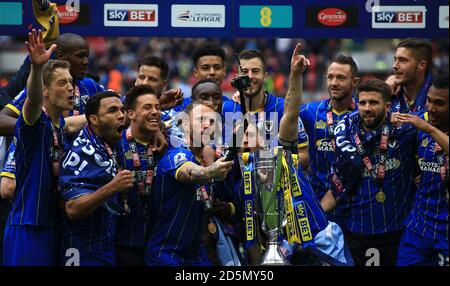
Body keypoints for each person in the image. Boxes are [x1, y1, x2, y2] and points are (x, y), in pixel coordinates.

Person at [321, 79, 418, 266]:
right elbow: (337, 189)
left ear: (387, 106)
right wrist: (312, 218)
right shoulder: (346, 139)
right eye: (362, 102)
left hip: (398, 233)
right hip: (358, 232)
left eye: (373, 103)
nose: (366, 108)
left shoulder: (405, 132)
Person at [3, 29, 72, 266]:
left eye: (71, 82)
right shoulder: (33, 123)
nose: (71, 88)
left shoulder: (60, 126)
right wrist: (36, 67)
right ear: (45, 92)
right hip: (28, 225)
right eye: (62, 83)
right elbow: (32, 102)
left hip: (53, 225)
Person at [145, 100, 234, 266]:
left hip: (197, 255)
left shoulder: (208, 158)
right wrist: (209, 172)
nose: (207, 125)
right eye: (201, 119)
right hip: (166, 254)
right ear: (185, 125)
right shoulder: (176, 154)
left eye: (212, 121)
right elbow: (190, 172)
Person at [59, 91, 132, 266]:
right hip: (80, 249)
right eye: (113, 111)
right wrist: (113, 187)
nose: (121, 115)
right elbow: (73, 209)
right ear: (94, 119)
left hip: (105, 245)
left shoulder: (110, 140)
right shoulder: (82, 152)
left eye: (122, 110)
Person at [0, 32, 104, 136]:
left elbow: (113, 109)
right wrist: (34, 128)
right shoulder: (38, 89)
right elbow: (1, 121)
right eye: (80, 56)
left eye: (87, 56)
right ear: (60, 56)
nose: (86, 62)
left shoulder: (90, 85)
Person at [222, 49, 309, 169]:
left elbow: (304, 156)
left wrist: (275, 167)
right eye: (244, 71)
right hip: (239, 187)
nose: (250, 76)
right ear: (237, 76)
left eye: (255, 71)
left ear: (265, 76)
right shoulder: (227, 109)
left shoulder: (282, 108)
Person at [300, 55, 359, 230]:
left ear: (354, 81)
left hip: (355, 210)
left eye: (341, 77)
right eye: (330, 77)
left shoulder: (365, 115)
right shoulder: (310, 112)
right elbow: (284, 113)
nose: (334, 83)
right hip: (318, 206)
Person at [396, 73, 449, 266]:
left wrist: (430, 130)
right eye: (428, 100)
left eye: (440, 103)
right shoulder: (418, 122)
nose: (431, 108)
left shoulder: (425, 126)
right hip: (418, 228)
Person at [114, 85, 163, 266]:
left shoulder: (166, 146)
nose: (155, 112)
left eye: (158, 107)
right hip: (121, 243)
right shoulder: (115, 145)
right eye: (147, 107)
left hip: (158, 244)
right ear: (131, 114)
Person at [389, 38, 433, 114]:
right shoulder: (390, 94)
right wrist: (383, 92)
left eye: (402, 60)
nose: (395, 65)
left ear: (421, 65)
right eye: (395, 60)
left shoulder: (440, 95)